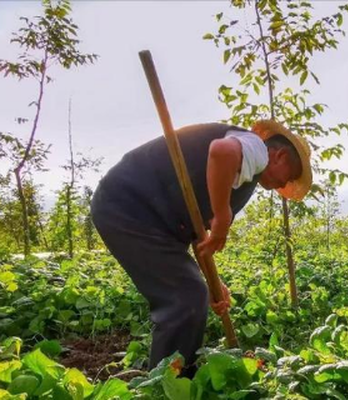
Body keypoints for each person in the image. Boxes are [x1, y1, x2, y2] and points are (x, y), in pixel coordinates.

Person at [90, 120, 311, 374]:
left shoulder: (242, 172)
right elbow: (220, 151)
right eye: (290, 175)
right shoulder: (256, 148)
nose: (284, 186)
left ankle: (176, 379)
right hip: (130, 206)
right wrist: (222, 214)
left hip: (140, 214)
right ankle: (166, 387)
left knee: (194, 291)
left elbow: (199, 236)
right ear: (279, 155)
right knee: (186, 297)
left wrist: (214, 284)